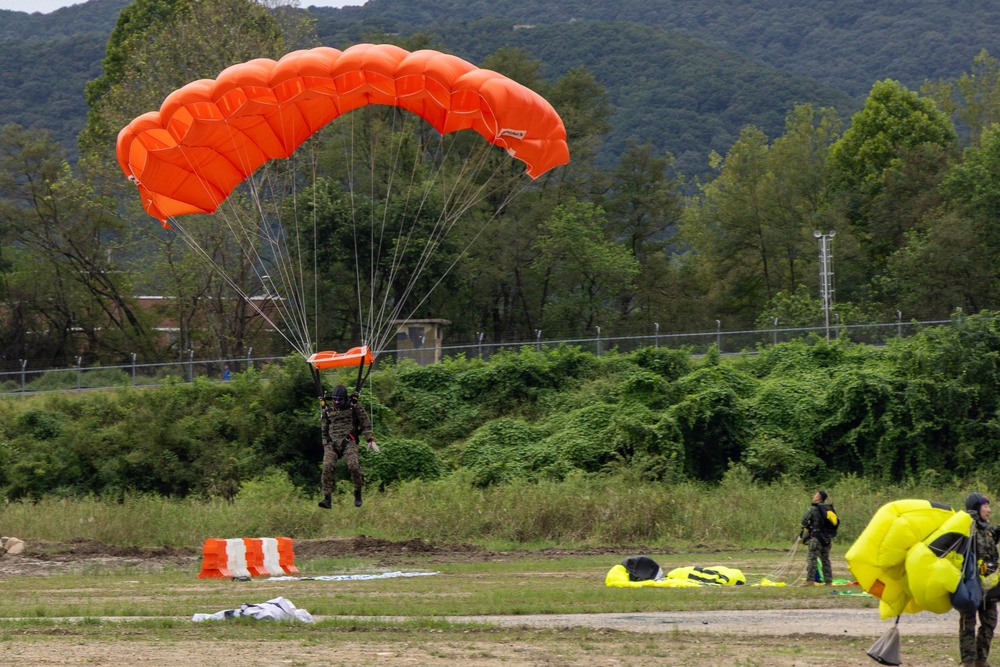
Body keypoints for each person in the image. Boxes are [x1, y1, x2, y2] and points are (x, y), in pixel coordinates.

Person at [318, 384, 377, 509]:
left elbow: (365, 423)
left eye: (340, 399)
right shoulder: (328, 410)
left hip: (348, 441)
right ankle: (327, 497)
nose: (337, 402)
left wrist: (370, 439)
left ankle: (357, 491)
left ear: (345, 398)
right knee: (327, 466)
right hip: (332, 443)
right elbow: (324, 428)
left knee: (353, 465)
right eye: (335, 399)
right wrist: (325, 442)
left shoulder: (353, 407)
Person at [960, 491, 999, 667]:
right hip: (970, 583)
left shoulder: (988, 529)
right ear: (976, 508)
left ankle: (980, 660)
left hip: (988, 585)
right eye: (985, 506)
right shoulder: (967, 527)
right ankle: (968, 661)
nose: (989, 510)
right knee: (968, 623)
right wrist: (969, 519)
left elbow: (993, 539)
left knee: (990, 621)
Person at [800, 489, 834, 586]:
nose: (814, 496)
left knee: (812, 559)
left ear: (819, 498)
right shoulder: (828, 509)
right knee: (825, 559)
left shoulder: (812, 509)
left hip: (816, 539)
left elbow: (804, 521)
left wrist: (809, 526)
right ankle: (828, 581)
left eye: (815, 494)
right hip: (827, 538)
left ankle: (810, 581)